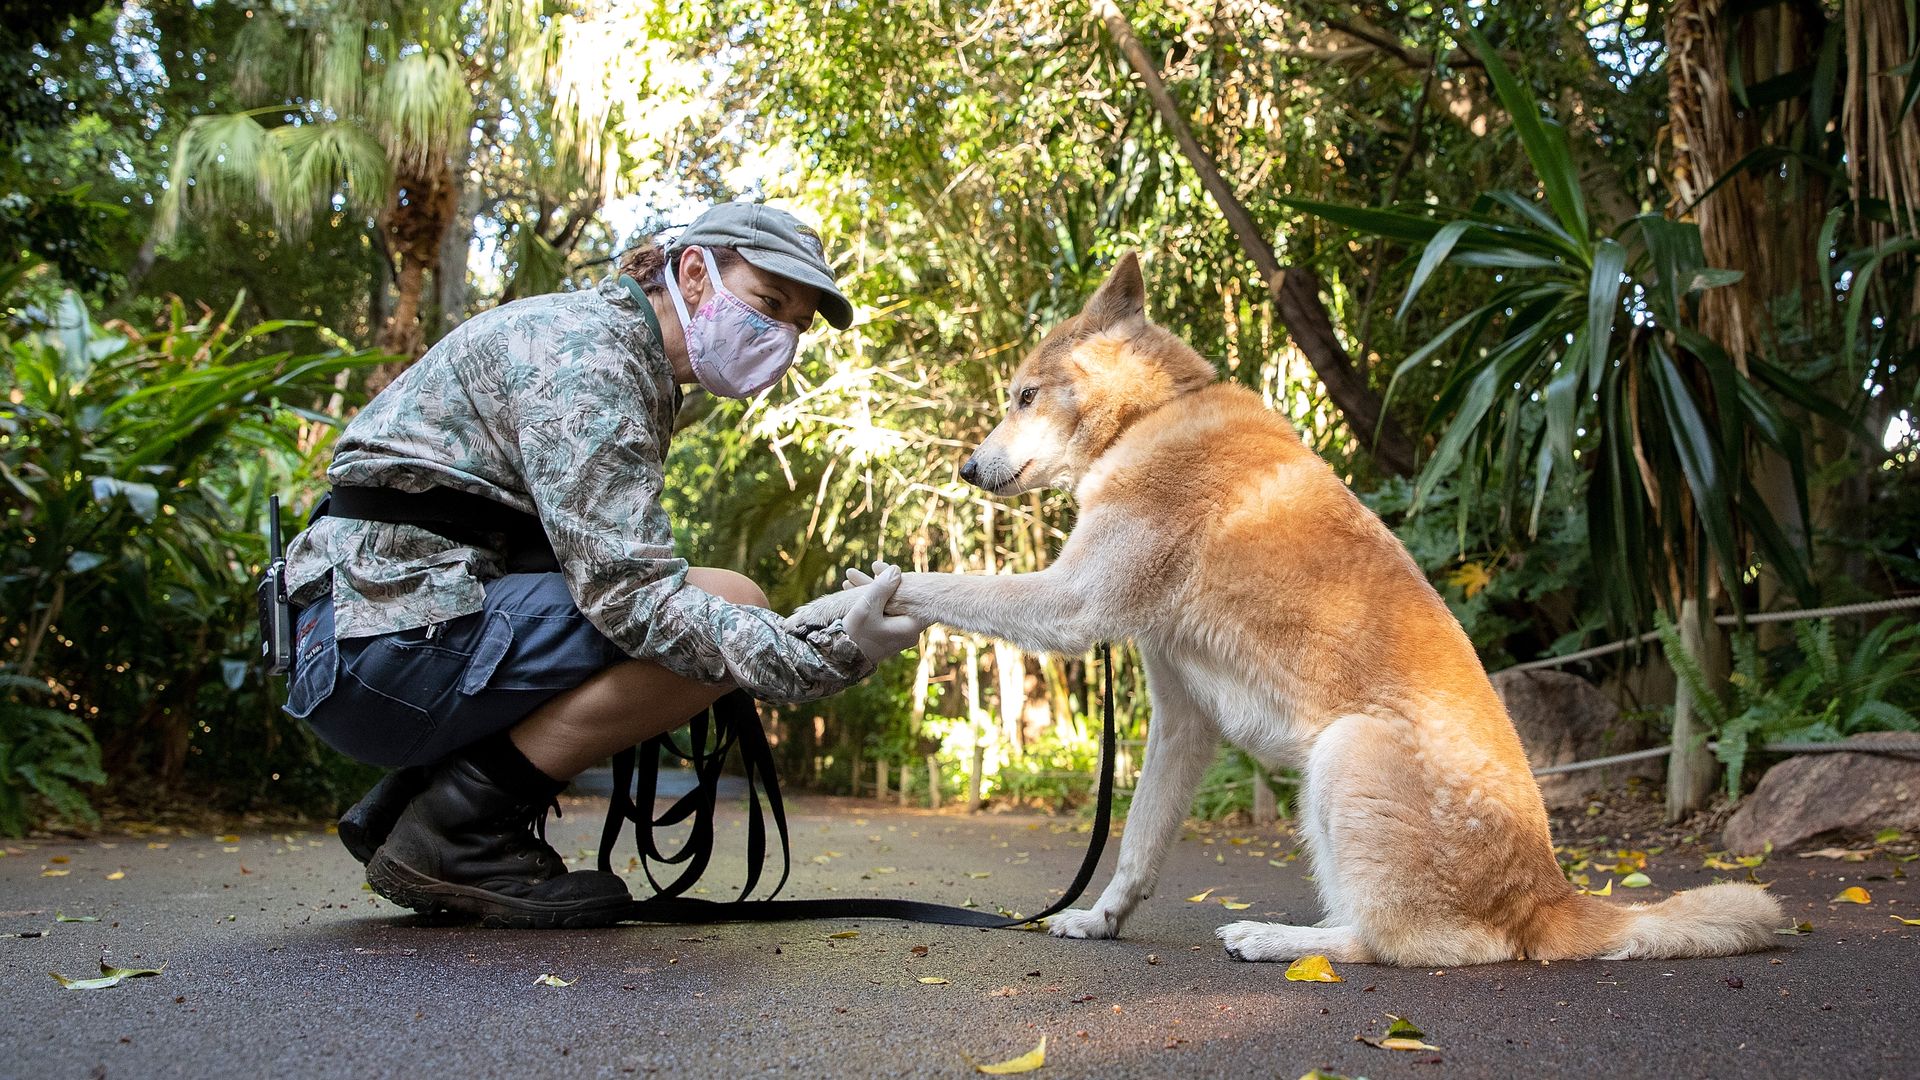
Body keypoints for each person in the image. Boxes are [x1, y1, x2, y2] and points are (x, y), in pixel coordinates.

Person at [279, 202, 925, 928]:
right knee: (728, 599)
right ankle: (459, 831)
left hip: (369, 637)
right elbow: (631, 599)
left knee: (710, 603)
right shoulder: (593, 358)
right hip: (380, 646)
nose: (777, 337)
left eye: (794, 327)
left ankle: (421, 804)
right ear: (693, 272)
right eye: (767, 304)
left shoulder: (619, 350)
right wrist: (840, 653)